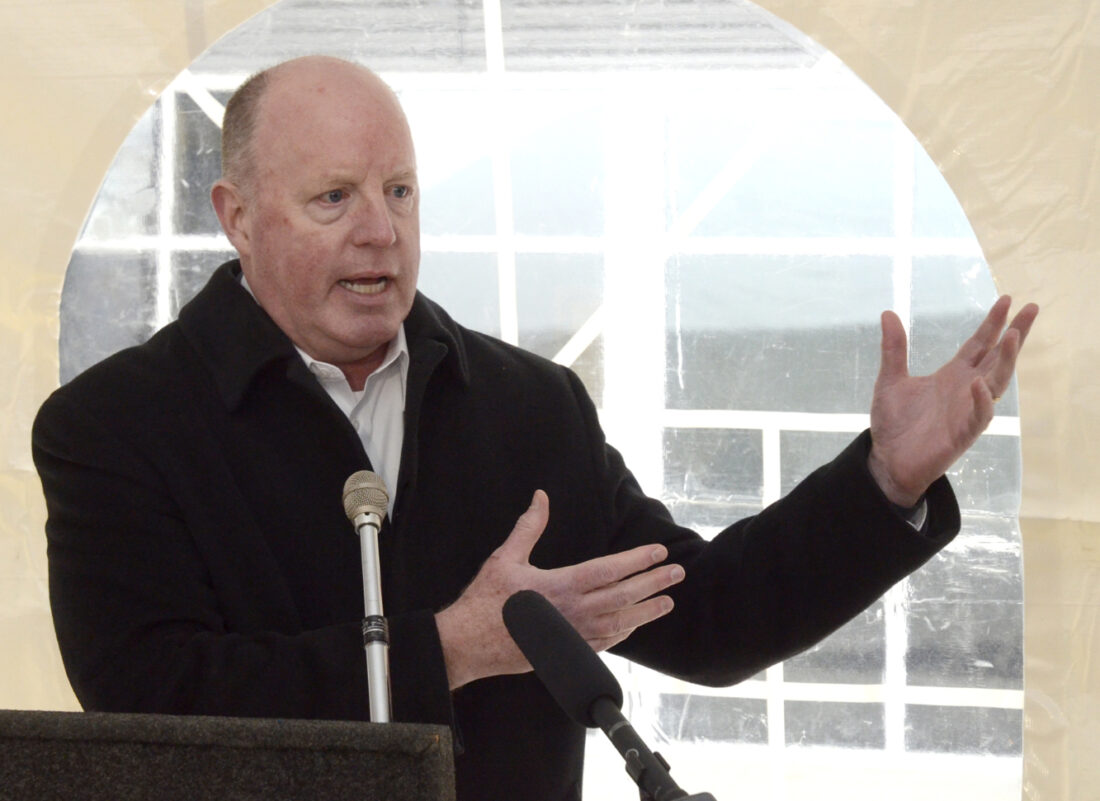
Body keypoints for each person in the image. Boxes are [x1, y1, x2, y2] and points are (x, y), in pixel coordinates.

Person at [32, 56, 1038, 800]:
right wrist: (449, 649)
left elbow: (714, 619)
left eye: (398, 191)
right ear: (238, 216)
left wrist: (885, 482)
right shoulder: (114, 428)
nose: (380, 230)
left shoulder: (529, 408)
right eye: (333, 198)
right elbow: (150, 707)